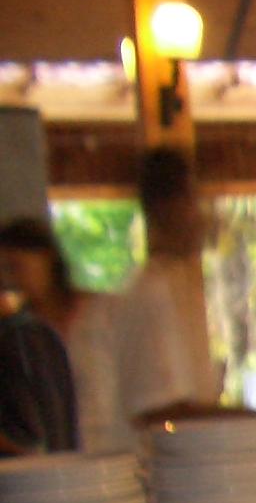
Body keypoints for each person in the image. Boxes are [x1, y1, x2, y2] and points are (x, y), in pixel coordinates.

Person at [109, 148, 221, 443]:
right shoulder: (150, 293)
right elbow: (162, 414)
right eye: (194, 200)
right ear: (167, 208)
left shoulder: (178, 287)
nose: (204, 215)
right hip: (159, 478)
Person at [0, 215, 119, 453]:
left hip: (116, 449)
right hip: (62, 460)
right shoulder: (20, 342)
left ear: (47, 258)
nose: (9, 280)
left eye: (15, 267)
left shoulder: (104, 311)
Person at [0, 310, 78, 454]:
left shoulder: (19, 336)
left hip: (32, 470)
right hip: (58, 466)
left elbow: (30, 440)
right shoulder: (28, 334)